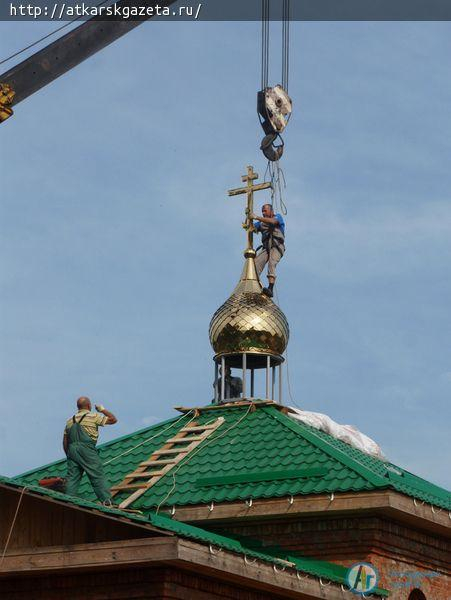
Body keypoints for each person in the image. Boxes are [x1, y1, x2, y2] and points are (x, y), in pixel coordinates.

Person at [63, 396, 117, 504]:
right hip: (87, 449)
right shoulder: (93, 416)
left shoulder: (69, 421)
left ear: (78, 407)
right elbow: (113, 420)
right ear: (89, 406)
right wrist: (102, 409)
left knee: (72, 477)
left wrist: (69, 455)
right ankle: (107, 501)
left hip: (72, 450)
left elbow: (65, 441)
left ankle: (66, 501)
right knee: (96, 474)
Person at [252, 203, 285, 297]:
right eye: (262, 211)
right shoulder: (261, 223)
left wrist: (256, 217)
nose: (263, 213)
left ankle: (270, 288)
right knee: (255, 263)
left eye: (265, 211)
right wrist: (249, 220)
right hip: (266, 247)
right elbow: (252, 227)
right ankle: (254, 284)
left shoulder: (277, 216)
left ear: (271, 211)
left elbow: (273, 222)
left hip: (276, 246)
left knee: (271, 263)